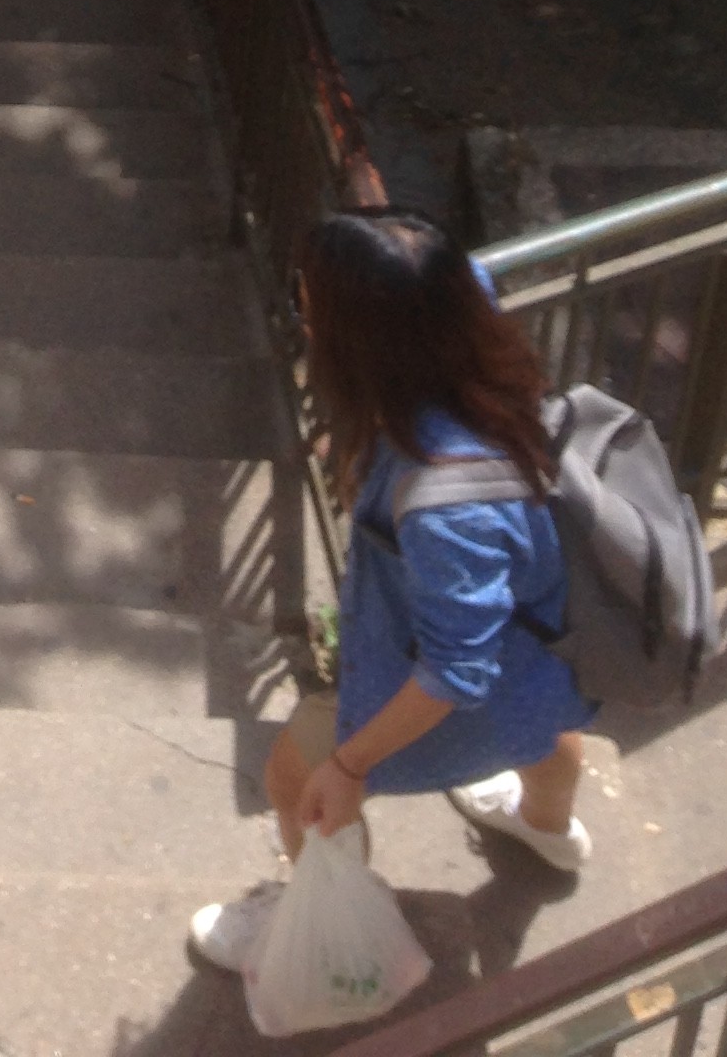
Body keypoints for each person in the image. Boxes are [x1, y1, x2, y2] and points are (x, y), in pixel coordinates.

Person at [189, 207, 596, 974]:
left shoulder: (445, 508)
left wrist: (349, 768)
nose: (305, 316)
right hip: (540, 647)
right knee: (544, 727)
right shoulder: (467, 336)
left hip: (448, 678)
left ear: (361, 343)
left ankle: (344, 949)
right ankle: (547, 832)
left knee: (297, 779)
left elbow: (455, 672)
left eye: (311, 305)